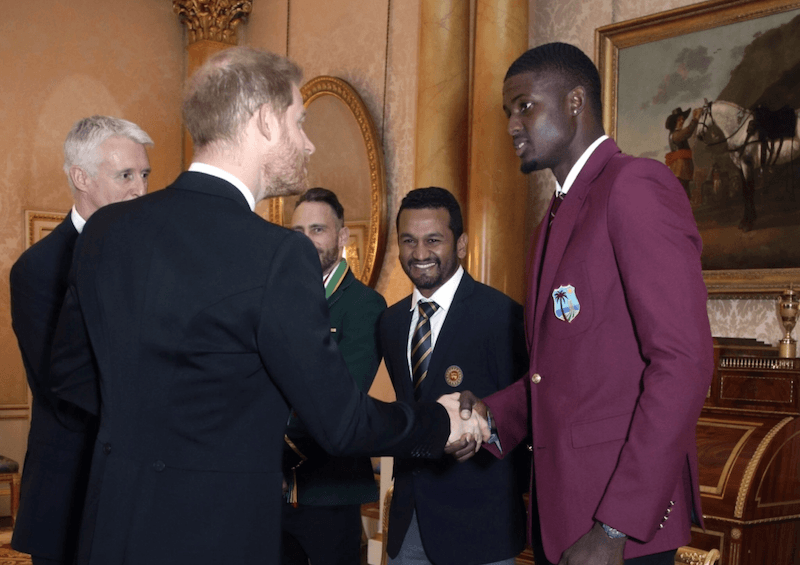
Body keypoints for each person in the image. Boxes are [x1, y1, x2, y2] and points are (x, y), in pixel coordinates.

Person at [45, 47, 482, 565]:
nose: (308, 141)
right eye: (300, 122)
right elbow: (340, 423)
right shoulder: (277, 254)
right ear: (265, 121)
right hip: (221, 536)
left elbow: (68, 377)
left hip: (110, 528)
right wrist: (438, 422)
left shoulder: (105, 232)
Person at [452, 43, 714, 565]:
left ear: (576, 101)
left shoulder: (634, 185)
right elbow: (561, 376)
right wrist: (491, 414)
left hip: (619, 531)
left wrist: (615, 527)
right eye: (508, 111)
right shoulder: (552, 219)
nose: (511, 124)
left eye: (525, 105)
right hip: (564, 519)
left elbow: (683, 362)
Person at [10, 115, 152, 565]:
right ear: (81, 178)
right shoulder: (38, 268)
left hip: (142, 486)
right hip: (71, 485)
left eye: (144, 175)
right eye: (125, 175)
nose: (140, 190)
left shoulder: (155, 256)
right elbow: (65, 390)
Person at [382, 187, 528, 565]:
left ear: (461, 244)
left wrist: (487, 427)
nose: (419, 254)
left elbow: (531, 404)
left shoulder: (504, 317)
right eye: (408, 241)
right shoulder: (391, 322)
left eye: (434, 240)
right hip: (408, 526)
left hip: (480, 528)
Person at [281, 187, 387, 565]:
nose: (306, 242)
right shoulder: (273, 299)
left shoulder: (364, 306)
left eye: (317, 230)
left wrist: (259, 425)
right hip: (270, 492)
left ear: (342, 238)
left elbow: (340, 400)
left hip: (329, 491)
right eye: (297, 232)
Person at [665, 107, 702, 200]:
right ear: (674, 122)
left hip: (682, 171)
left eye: (682, 119)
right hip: (680, 171)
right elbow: (688, 131)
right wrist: (696, 119)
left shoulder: (675, 134)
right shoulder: (675, 135)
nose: (682, 121)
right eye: (679, 119)